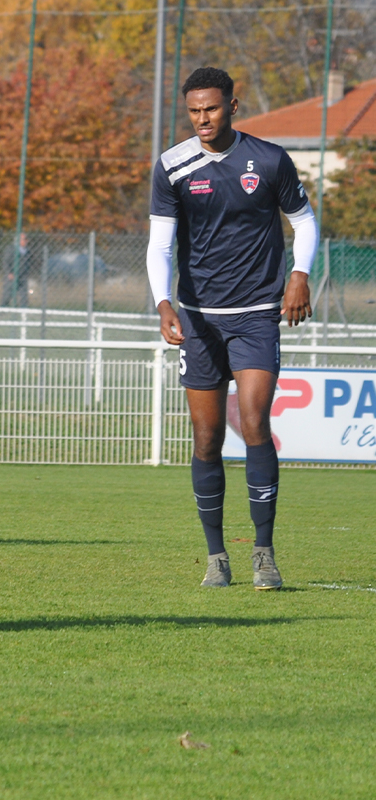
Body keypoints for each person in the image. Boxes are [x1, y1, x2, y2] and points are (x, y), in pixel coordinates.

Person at [148, 66, 318, 590]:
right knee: (206, 437)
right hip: (199, 320)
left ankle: (264, 553)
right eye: (195, 110)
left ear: (233, 106)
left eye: (212, 108)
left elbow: (305, 222)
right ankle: (217, 556)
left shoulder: (268, 159)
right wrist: (163, 302)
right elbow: (160, 244)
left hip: (257, 314)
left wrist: (299, 275)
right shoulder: (172, 166)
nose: (203, 118)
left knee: (254, 423)